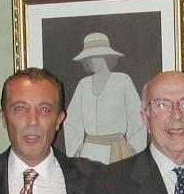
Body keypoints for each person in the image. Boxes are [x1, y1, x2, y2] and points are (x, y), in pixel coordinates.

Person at [62, 32, 147, 163]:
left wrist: (136, 154)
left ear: (106, 57)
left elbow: (137, 120)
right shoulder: (83, 84)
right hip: (88, 153)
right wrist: (74, 154)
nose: (92, 61)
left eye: (96, 56)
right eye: (89, 57)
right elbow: (72, 122)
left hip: (117, 152)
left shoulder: (122, 80)